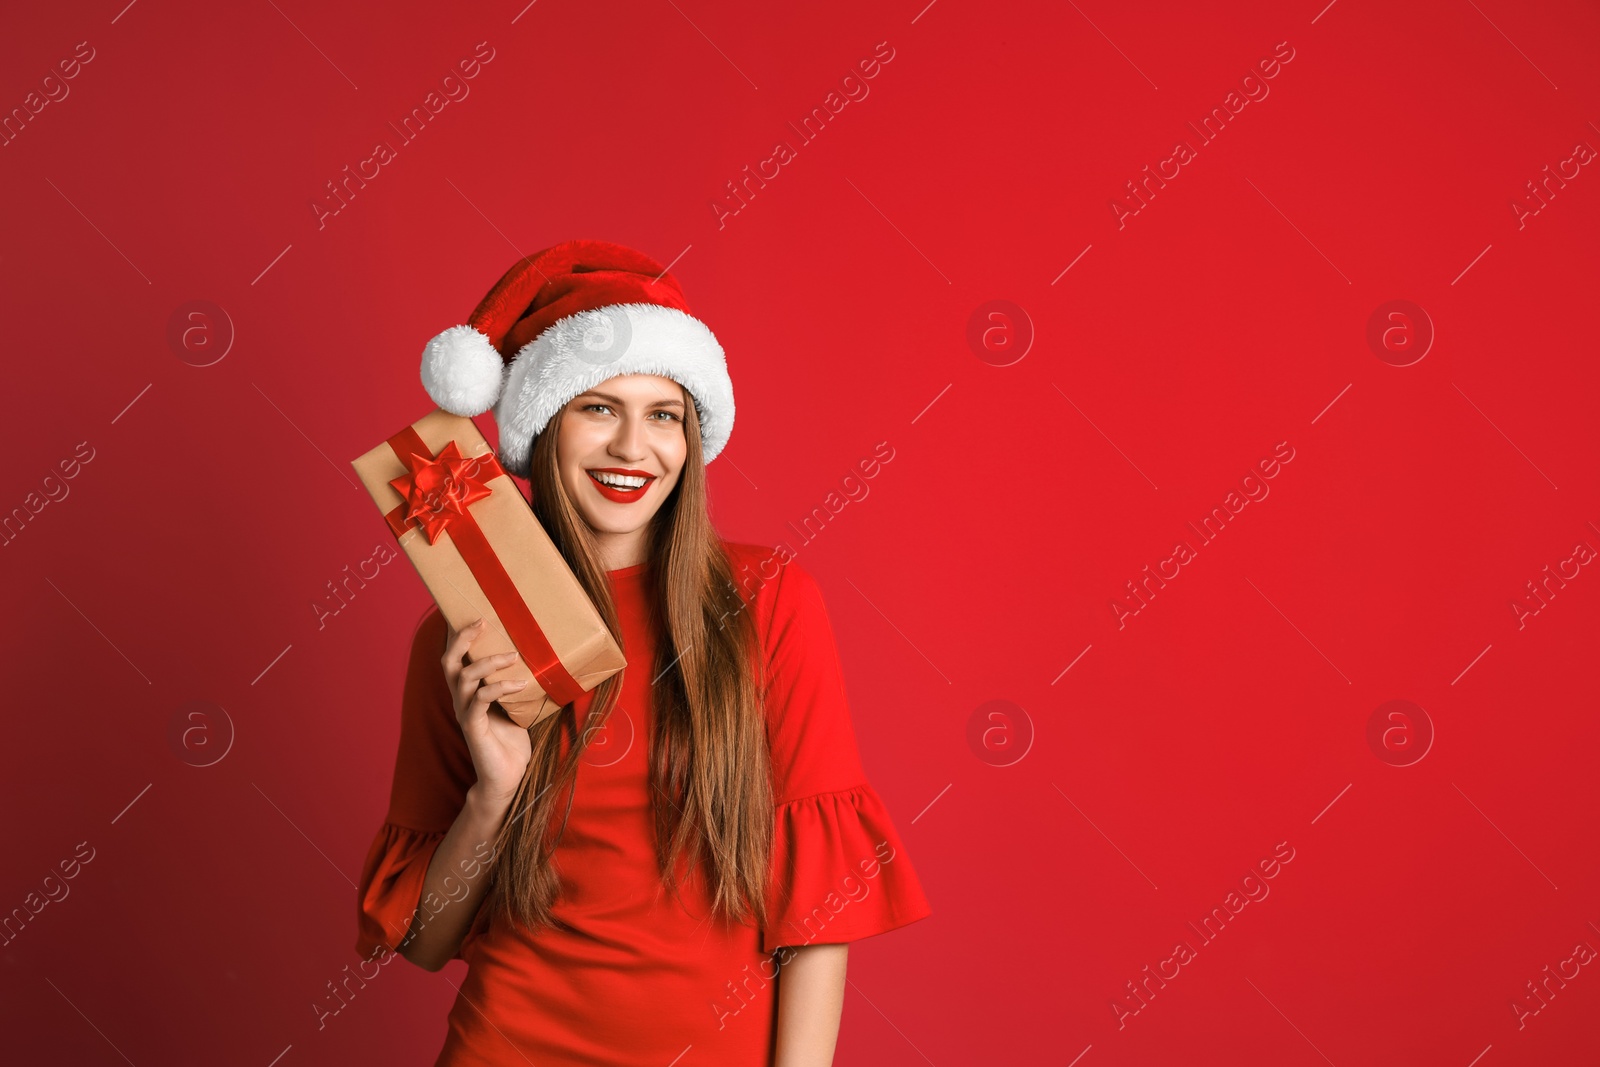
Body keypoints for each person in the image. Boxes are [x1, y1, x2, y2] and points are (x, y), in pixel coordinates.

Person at [354, 239, 933, 1066]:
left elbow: (820, 914)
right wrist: (495, 791)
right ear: (542, 426)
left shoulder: (769, 601)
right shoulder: (468, 631)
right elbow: (425, 937)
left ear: (693, 438)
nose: (634, 447)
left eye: (664, 414)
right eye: (597, 407)